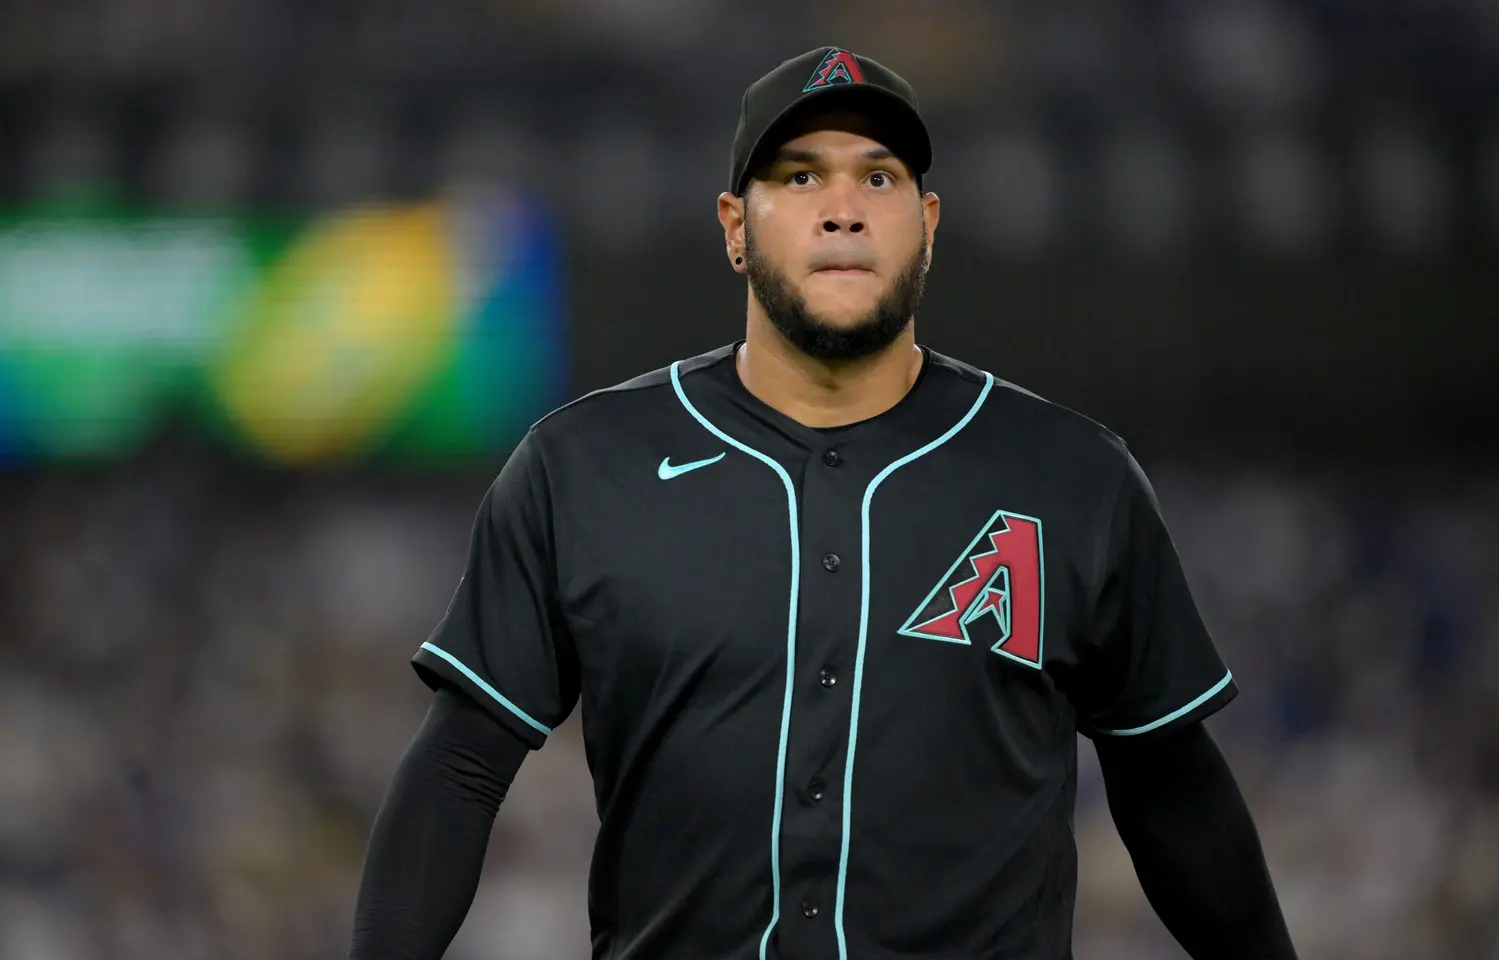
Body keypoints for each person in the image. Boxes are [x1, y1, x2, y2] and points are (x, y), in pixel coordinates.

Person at [348, 47, 1298, 960]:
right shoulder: (583, 467)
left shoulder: (1071, 478)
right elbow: (460, 767)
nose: (842, 210)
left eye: (877, 178)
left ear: (927, 223)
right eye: (799, 177)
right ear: (733, 226)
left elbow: (1170, 784)